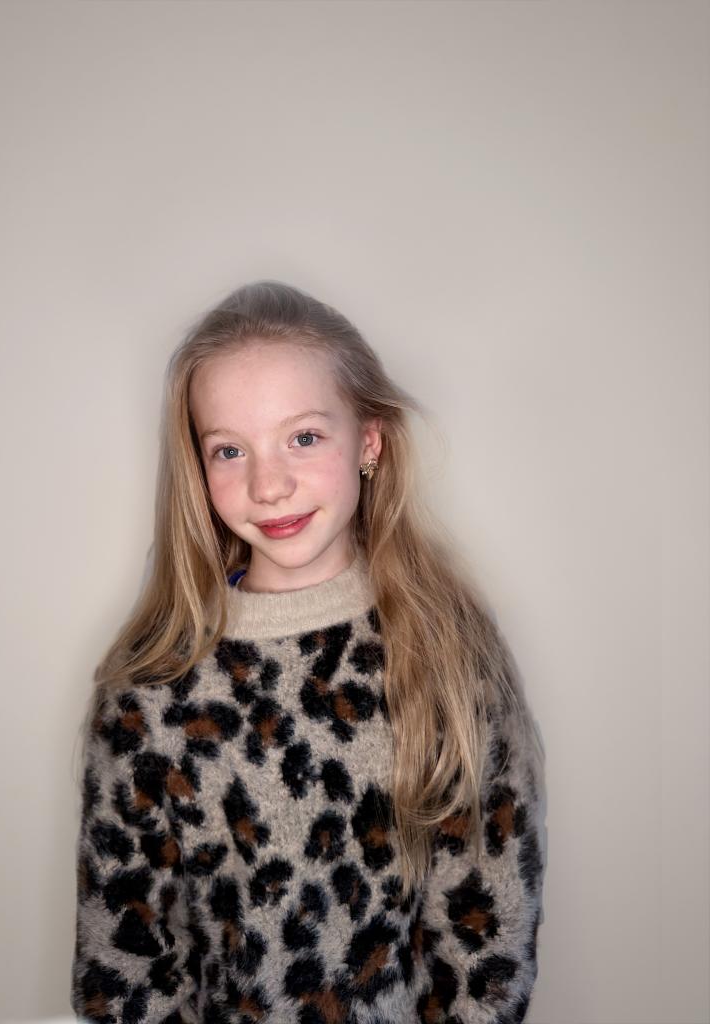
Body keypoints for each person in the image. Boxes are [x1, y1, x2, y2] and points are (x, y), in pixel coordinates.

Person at [70, 280, 547, 1024]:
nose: (269, 485)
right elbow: (127, 966)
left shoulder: (448, 650)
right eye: (230, 450)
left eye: (303, 437)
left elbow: (487, 938)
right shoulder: (151, 686)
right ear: (197, 466)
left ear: (369, 441)